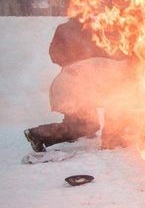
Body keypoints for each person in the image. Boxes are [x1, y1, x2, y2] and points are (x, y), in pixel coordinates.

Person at [24, 17, 135, 152]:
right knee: (94, 119)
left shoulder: (70, 28)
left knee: (86, 124)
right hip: (75, 84)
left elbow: (55, 55)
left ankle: (41, 134)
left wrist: (73, 64)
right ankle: (111, 140)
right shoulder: (105, 28)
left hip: (75, 81)